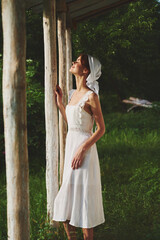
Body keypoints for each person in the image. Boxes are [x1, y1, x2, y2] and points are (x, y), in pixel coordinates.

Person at [53, 54, 105, 240]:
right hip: (71, 146)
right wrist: (60, 104)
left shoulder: (92, 96)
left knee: (83, 198)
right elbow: (73, 123)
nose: (73, 62)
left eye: (78, 61)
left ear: (85, 71)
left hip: (84, 149)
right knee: (67, 193)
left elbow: (101, 129)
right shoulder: (72, 94)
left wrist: (83, 149)